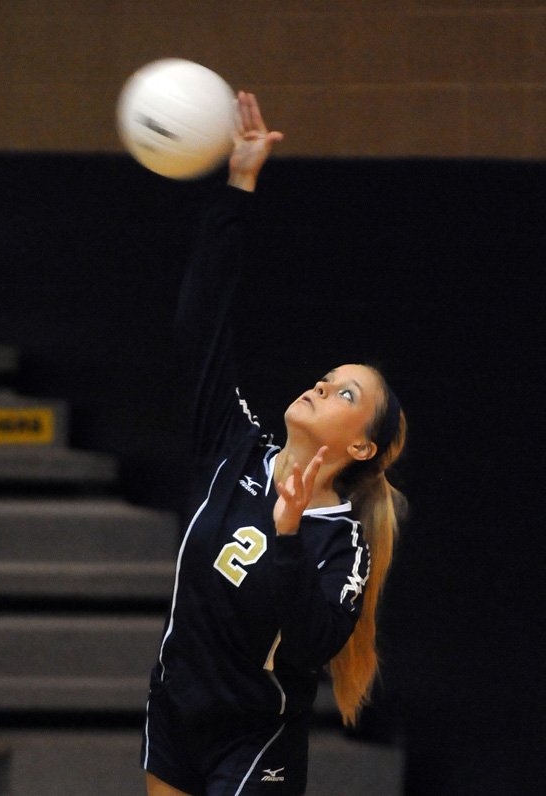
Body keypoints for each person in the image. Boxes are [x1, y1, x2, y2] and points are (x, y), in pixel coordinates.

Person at [141, 92, 407, 796]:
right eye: (327, 378)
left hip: (254, 739)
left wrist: (287, 535)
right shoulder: (233, 446)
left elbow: (316, 643)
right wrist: (238, 186)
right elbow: (200, 323)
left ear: (362, 450)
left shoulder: (340, 542)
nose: (323, 387)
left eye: (346, 394)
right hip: (175, 707)